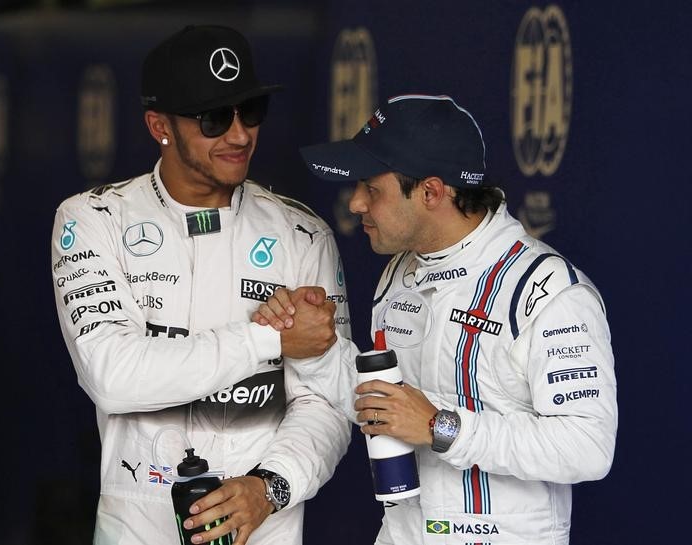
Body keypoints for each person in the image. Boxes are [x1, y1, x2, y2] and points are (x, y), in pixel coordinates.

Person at [253, 94, 618, 545]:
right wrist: (317, 346)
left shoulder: (548, 291)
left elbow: (588, 447)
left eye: (372, 188)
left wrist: (440, 427)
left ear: (430, 192)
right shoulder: (399, 274)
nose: (356, 204)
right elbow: (385, 408)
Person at [51, 24, 351, 545]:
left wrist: (271, 485)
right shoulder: (93, 219)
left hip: (264, 525)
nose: (239, 135)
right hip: (136, 524)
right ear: (158, 125)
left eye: (250, 111)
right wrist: (269, 340)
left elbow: (328, 400)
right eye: (214, 118)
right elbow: (111, 375)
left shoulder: (303, 234)